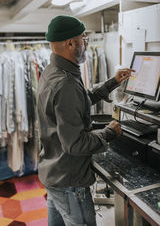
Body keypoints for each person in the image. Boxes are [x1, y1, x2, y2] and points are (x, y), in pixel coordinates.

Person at [37, 15, 133, 226]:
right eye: (83, 39)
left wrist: (112, 82)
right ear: (70, 43)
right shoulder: (65, 82)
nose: (86, 45)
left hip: (54, 173)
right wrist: (109, 132)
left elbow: (79, 101)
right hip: (69, 179)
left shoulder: (53, 72)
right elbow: (75, 144)